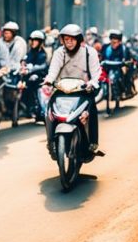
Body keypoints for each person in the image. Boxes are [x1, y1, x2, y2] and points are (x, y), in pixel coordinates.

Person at [43, 24, 103, 157]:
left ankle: (93, 142)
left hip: (84, 90)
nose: (69, 42)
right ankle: (51, 141)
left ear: (78, 39)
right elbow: (53, 71)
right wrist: (49, 80)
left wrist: (92, 83)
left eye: (72, 39)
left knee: (92, 109)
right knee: (48, 112)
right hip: (62, 89)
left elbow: (96, 73)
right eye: (66, 39)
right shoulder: (59, 52)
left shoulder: (89, 52)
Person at [23, 30, 49, 122]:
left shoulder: (43, 54)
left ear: (40, 42)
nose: (33, 42)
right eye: (32, 40)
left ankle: (40, 111)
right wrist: (23, 67)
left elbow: (43, 66)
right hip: (28, 77)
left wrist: (32, 70)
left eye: (36, 40)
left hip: (40, 78)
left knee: (39, 92)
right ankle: (27, 108)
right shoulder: (29, 53)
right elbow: (25, 61)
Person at [101, 30, 134, 98]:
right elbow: (101, 57)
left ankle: (127, 90)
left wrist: (126, 63)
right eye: (112, 42)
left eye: (115, 42)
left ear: (119, 42)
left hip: (119, 68)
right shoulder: (105, 48)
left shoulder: (124, 49)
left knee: (126, 74)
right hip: (108, 67)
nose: (113, 44)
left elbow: (128, 58)